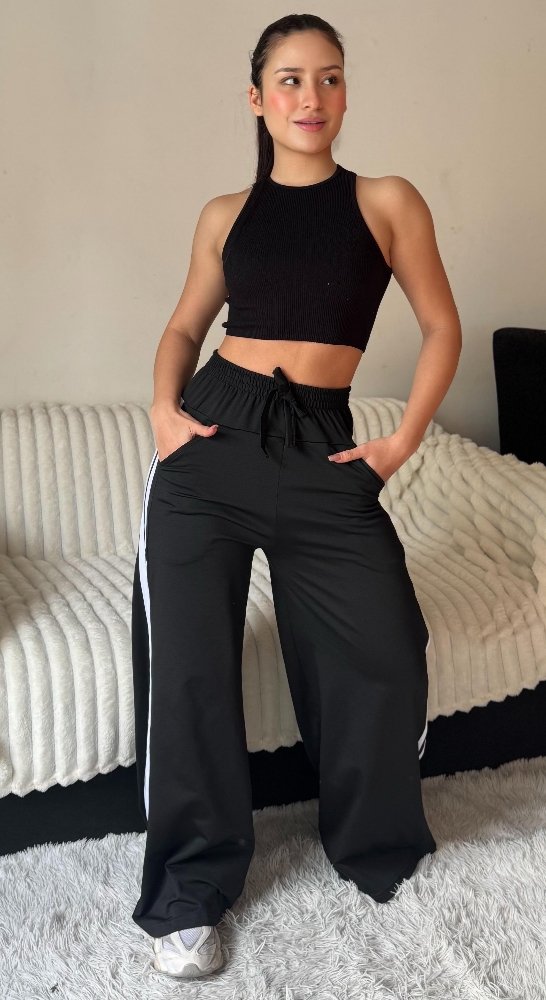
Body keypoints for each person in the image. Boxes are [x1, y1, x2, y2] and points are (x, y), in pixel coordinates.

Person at [131, 14, 462, 980]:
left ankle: (369, 840)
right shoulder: (225, 214)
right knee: (189, 670)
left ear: (345, 92)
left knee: (385, 648)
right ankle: (189, 895)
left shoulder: (387, 200)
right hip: (213, 442)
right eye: (288, 79)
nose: (310, 97)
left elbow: (441, 326)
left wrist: (400, 441)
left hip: (323, 445)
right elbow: (183, 328)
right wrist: (162, 408)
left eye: (329, 78)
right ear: (257, 98)